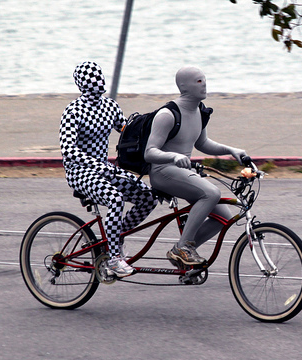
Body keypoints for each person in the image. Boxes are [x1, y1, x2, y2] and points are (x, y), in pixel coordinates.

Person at [59, 61, 158, 278]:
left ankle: (116, 235)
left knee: (149, 197)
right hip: (79, 172)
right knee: (115, 199)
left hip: (105, 169)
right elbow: (68, 150)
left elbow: (128, 133)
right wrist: (97, 165)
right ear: (81, 83)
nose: (96, 82)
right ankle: (114, 259)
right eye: (90, 78)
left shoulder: (110, 106)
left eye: (98, 76)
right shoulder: (73, 110)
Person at [144, 66, 248, 267]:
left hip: (184, 172)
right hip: (162, 172)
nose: (205, 84)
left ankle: (182, 254)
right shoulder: (167, 114)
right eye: (199, 81)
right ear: (184, 86)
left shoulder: (199, 111)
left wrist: (231, 150)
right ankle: (184, 247)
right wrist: (173, 157)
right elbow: (150, 152)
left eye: (205, 80)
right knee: (211, 193)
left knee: (224, 217)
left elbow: (203, 144)